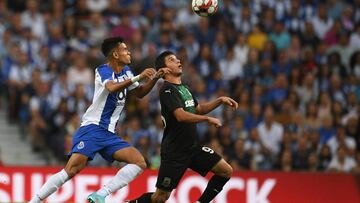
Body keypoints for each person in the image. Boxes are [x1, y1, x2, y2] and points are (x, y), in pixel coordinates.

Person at [29, 37, 170, 203]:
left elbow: (139, 93)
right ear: (115, 54)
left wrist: (154, 78)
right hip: (93, 128)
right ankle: (34, 201)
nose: (129, 52)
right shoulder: (103, 70)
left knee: (139, 162)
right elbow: (111, 88)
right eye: (125, 50)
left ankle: (101, 194)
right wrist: (138, 77)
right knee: (71, 170)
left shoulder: (126, 71)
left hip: (109, 134)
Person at [129, 51, 238, 203]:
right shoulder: (167, 90)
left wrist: (219, 100)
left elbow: (198, 108)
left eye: (177, 58)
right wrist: (207, 119)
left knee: (226, 171)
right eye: (172, 60)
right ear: (165, 69)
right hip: (174, 153)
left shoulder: (184, 88)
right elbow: (181, 116)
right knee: (160, 198)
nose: (178, 60)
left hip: (192, 148)